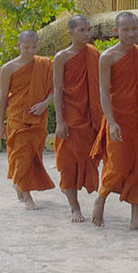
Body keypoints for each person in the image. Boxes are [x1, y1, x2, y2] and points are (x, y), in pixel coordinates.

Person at [90, 11, 138, 230]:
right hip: (120, 119)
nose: (131, 33)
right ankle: (101, 198)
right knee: (118, 165)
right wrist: (111, 122)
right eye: (126, 29)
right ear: (116, 31)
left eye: (134, 28)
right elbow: (103, 92)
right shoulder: (108, 57)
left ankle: (135, 217)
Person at [52, 15, 104, 222]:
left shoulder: (94, 54)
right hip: (71, 116)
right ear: (70, 33)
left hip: (91, 116)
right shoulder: (62, 57)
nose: (87, 33)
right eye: (82, 30)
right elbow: (57, 90)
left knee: (90, 159)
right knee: (68, 164)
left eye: (88, 29)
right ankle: (75, 207)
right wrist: (60, 121)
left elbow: (103, 86)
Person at [0, 30, 55, 210]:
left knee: (32, 155)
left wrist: (45, 104)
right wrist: (0, 123)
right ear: (19, 46)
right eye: (26, 47)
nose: (30, 51)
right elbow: (3, 97)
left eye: (33, 47)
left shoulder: (44, 64)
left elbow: (54, 90)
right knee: (21, 154)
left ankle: (19, 183)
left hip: (38, 117)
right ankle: (27, 195)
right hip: (17, 116)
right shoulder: (8, 68)